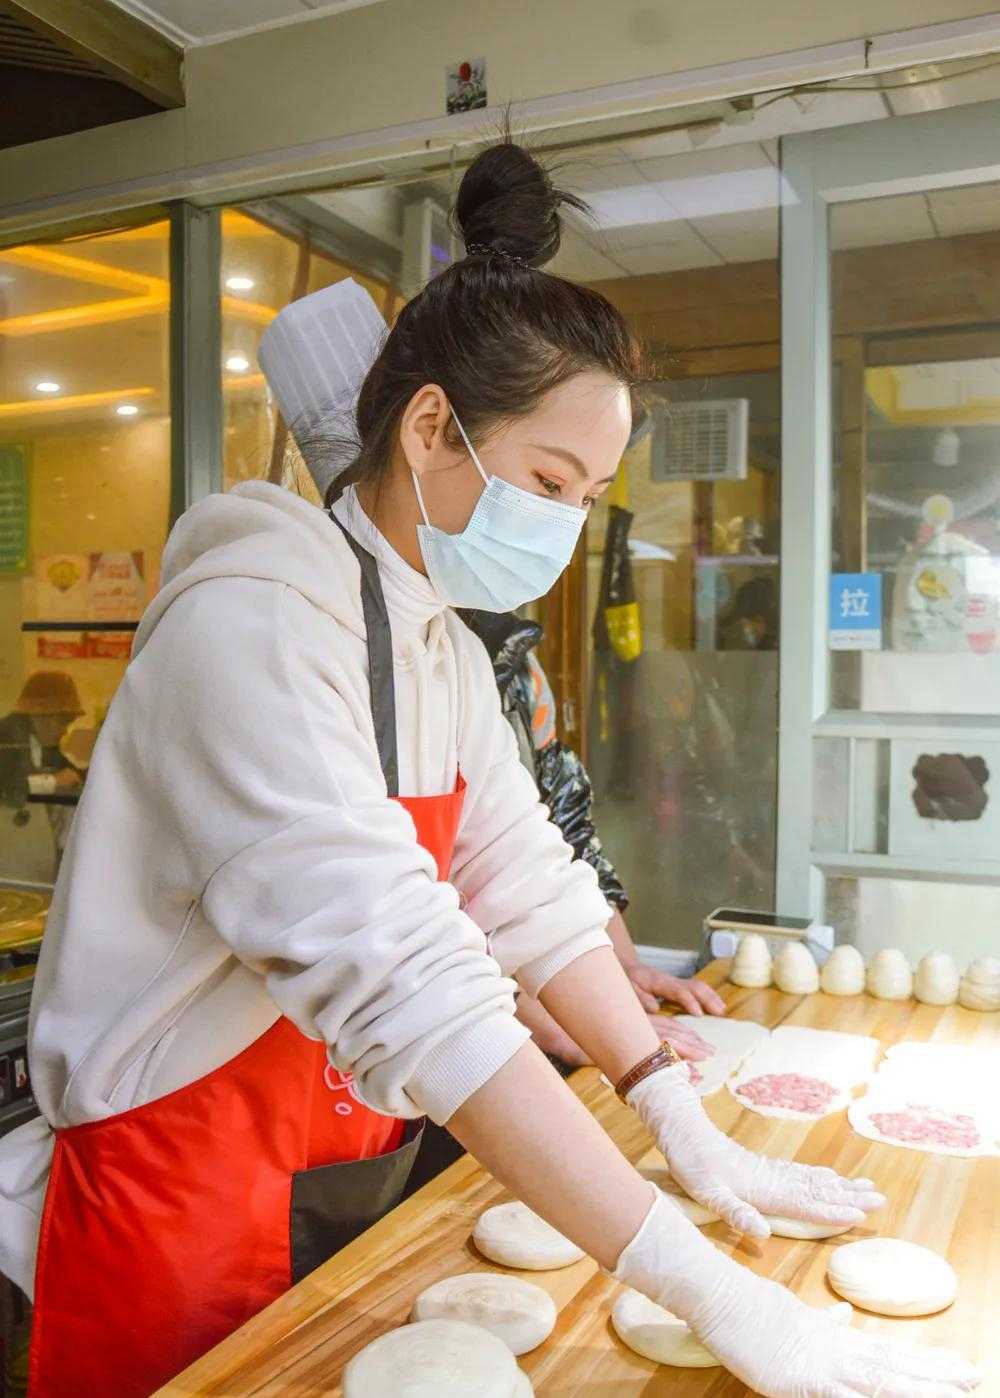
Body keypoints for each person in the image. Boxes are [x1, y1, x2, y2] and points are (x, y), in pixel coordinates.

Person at [0, 140, 976, 1398]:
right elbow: (412, 975)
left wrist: (663, 1101)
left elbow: (526, 882)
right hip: (173, 1197)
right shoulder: (254, 615)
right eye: (548, 482)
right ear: (427, 428)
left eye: (590, 494)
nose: (566, 528)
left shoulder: (433, 638)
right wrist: (705, 1285)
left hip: (337, 1169)